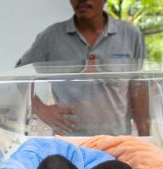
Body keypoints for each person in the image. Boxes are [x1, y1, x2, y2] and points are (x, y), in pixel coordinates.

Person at [17, 0, 149, 136]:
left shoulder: (130, 35)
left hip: (117, 139)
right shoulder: (51, 37)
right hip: (68, 141)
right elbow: (18, 76)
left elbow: (139, 88)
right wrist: (39, 108)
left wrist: (146, 136)